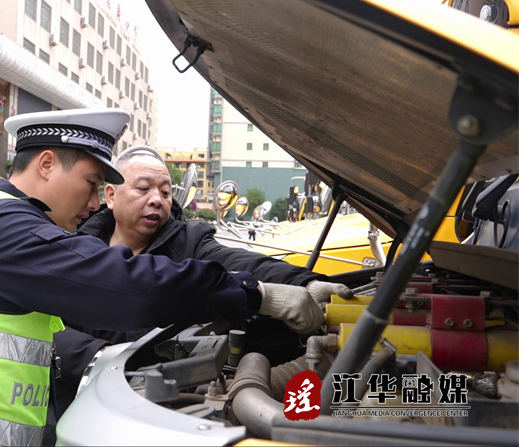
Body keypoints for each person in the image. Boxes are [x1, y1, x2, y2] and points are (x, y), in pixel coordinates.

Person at [0, 109, 334, 447]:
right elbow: (125, 286)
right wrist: (254, 295)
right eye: (90, 183)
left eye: (165, 191)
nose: (92, 202)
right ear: (47, 164)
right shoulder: (6, 227)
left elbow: (234, 259)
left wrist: (301, 283)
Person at [45, 145, 352, 441]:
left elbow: (242, 262)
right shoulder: (75, 250)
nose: (157, 200)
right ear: (111, 195)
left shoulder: (189, 242)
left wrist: (304, 283)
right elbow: (46, 327)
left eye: (166, 192)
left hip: (161, 412)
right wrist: (104, 358)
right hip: (74, 407)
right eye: (144, 189)